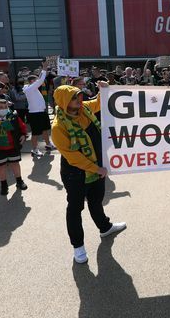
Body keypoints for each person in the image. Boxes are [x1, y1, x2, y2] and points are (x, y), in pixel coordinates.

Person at [51, 84, 126, 264]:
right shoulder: (58, 127)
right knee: (75, 208)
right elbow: (73, 157)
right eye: (74, 98)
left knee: (96, 200)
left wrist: (103, 90)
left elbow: (99, 103)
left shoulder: (84, 108)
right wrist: (97, 169)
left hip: (97, 165)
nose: (80, 100)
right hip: (75, 173)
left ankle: (105, 227)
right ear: (64, 102)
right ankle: (78, 247)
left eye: (79, 96)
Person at [24, 61, 54, 156]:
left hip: (41, 112)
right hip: (35, 114)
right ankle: (34, 149)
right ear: (32, 82)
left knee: (45, 130)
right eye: (36, 80)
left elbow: (40, 78)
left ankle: (48, 144)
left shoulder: (33, 88)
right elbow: (40, 80)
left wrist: (43, 69)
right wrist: (44, 67)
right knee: (36, 133)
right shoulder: (29, 89)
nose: (39, 82)